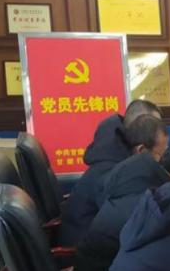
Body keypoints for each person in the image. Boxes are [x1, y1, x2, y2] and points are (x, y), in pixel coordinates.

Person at [70, 117, 170, 271]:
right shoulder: (115, 176)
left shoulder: (118, 167)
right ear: (141, 151)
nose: (164, 162)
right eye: (162, 154)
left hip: (96, 270)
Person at [60, 99, 163, 245]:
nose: (159, 134)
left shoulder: (119, 154)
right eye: (153, 127)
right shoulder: (109, 168)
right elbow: (124, 218)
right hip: (84, 249)